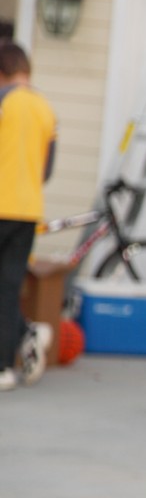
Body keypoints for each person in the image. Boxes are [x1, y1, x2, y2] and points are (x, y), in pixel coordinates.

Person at [0, 40, 56, 391]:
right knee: (8, 286)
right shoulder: (46, 109)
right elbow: (47, 168)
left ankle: (6, 361)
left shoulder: (4, 101)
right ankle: (21, 340)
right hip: (28, 210)